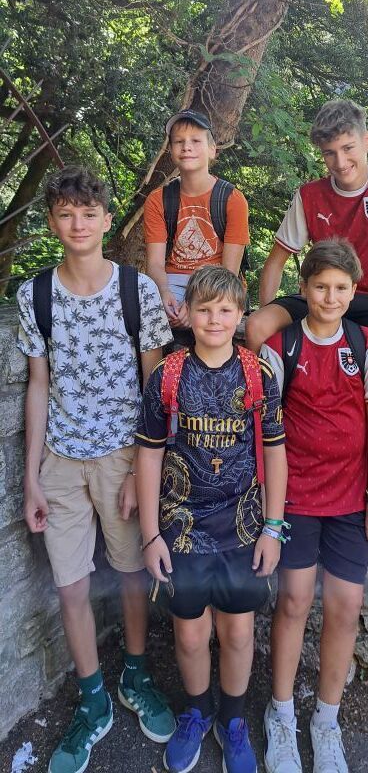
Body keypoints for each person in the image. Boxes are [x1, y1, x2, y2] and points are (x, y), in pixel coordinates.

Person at [17, 166, 175, 773]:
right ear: (52, 222)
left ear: (108, 221)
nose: (77, 224)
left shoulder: (136, 291)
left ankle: (135, 675)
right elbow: (38, 386)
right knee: (70, 585)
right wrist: (32, 476)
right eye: (65, 214)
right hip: (60, 461)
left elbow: (154, 386)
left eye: (88, 214)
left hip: (123, 457)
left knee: (132, 573)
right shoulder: (35, 295)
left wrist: (141, 472)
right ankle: (91, 700)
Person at [246, 99, 368, 567]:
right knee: (256, 328)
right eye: (330, 153)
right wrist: (266, 309)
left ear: (366, 141)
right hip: (324, 292)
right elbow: (276, 260)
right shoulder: (310, 195)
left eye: (348, 148)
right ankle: (260, 447)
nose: (341, 161)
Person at [135, 265, 288, 773]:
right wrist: (150, 535)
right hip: (181, 526)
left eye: (225, 310)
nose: (215, 319)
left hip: (243, 525)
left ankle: (233, 720)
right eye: (204, 310)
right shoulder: (168, 375)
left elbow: (275, 452)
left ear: (240, 314)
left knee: (239, 633)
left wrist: (273, 528)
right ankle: (197, 712)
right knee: (189, 634)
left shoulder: (258, 374)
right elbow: (149, 455)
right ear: (187, 313)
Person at [260, 239, 368, 773]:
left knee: (344, 607)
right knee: (293, 601)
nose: (330, 297)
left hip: (350, 500)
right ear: (304, 288)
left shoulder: (366, 344)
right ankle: (281, 713)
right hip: (295, 497)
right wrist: (271, 511)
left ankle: (326, 720)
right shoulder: (282, 345)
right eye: (320, 287)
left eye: (340, 288)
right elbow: (267, 430)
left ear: (354, 291)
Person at [144, 109, 250, 333]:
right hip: (172, 280)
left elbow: (229, 271)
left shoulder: (232, 199)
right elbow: (154, 263)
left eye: (195, 140)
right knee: (147, 312)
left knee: (209, 316)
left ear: (212, 150)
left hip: (218, 281)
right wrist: (164, 292)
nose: (186, 147)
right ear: (171, 150)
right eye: (179, 141)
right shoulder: (158, 199)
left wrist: (194, 303)